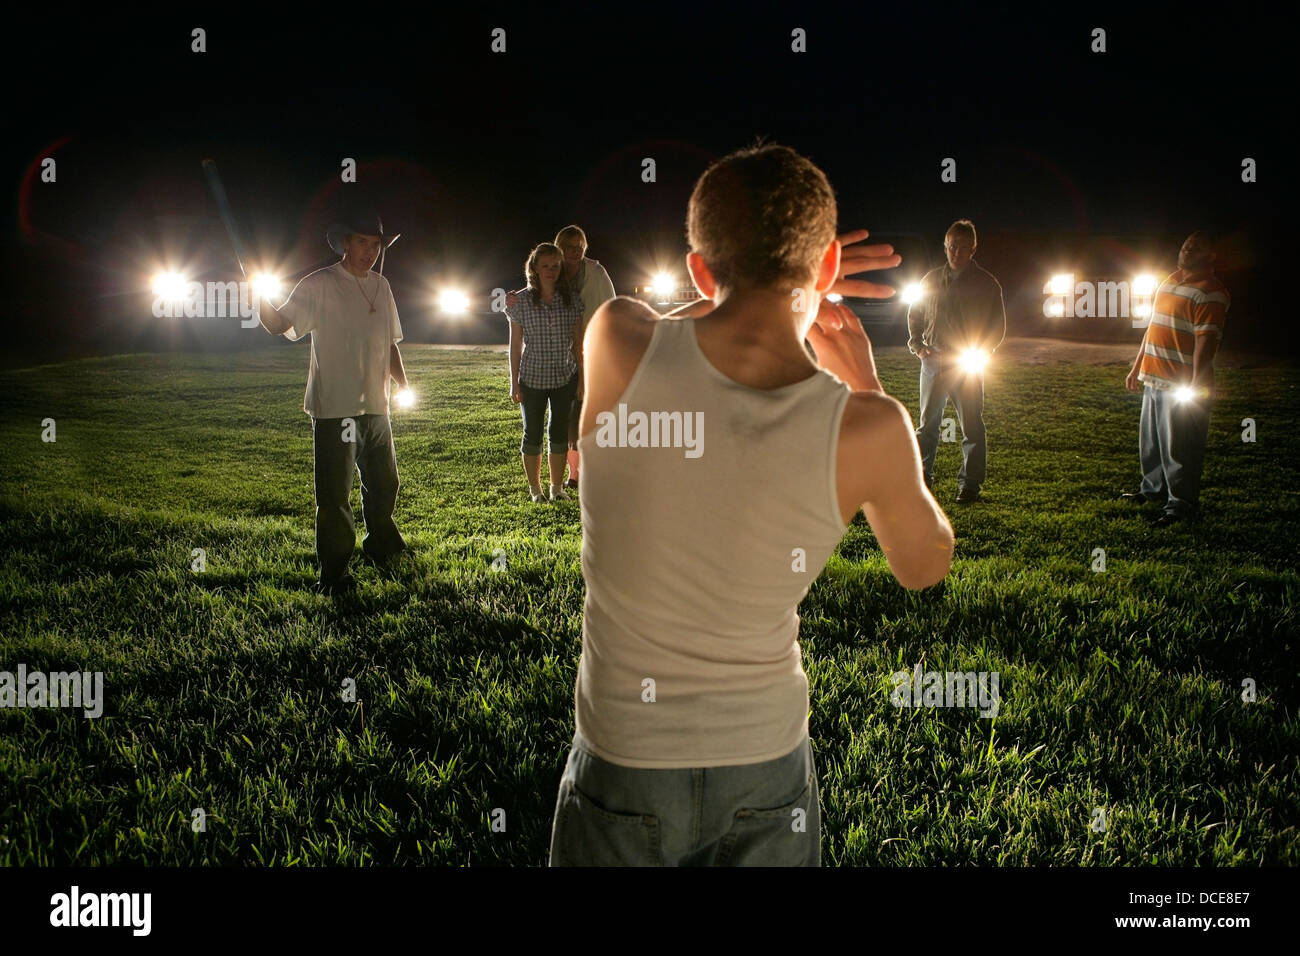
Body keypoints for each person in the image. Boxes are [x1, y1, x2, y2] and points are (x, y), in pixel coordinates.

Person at [548, 144, 954, 866]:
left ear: (701, 270)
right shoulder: (869, 426)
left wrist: (760, 277)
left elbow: (677, 321)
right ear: (828, 269)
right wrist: (864, 382)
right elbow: (925, 565)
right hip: (764, 761)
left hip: (623, 755)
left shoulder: (616, 338)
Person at [256, 211, 409, 594]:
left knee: (385, 483)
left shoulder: (382, 285)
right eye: (361, 242)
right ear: (344, 243)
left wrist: (402, 384)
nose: (369, 252)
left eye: (375, 245)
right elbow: (279, 324)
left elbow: (389, 341)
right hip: (334, 408)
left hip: (377, 405)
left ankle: (383, 546)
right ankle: (335, 575)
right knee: (335, 495)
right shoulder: (319, 284)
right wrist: (254, 294)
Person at [1120, 231, 1229, 527]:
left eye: (1196, 246)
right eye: (1186, 245)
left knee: (1180, 447)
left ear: (1211, 256)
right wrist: (1137, 366)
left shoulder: (1210, 293)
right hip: (1153, 376)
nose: (1188, 249)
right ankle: (1153, 490)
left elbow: (1206, 343)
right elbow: (1153, 326)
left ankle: (1181, 504)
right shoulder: (1170, 280)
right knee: (1152, 444)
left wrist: (1196, 383)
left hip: (1180, 382)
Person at [907, 219, 1006, 503]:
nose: (956, 253)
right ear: (945, 246)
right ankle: (923, 480)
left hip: (967, 363)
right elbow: (915, 313)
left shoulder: (987, 284)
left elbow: (997, 326)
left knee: (972, 425)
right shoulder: (931, 280)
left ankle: (970, 485)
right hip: (934, 361)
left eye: (962, 248)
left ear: (973, 249)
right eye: (951, 247)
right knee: (927, 425)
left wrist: (983, 351)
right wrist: (918, 346)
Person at [504, 243, 585, 502]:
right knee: (533, 432)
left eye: (555, 265)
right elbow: (515, 345)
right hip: (532, 378)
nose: (551, 270)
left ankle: (556, 488)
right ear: (535, 269)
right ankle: (535, 490)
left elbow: (579, 345)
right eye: (546, 266)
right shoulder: (521, 302)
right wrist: (514, 382)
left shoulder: (571, 301)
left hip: (564, 377)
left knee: (559, 432)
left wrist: (582, 379)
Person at [554, 225, 616, 489]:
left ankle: (591, 470)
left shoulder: (596, 273)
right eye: (569, 246)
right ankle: (574, 472)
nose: (575, 252)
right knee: (567, 416)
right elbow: (534, 296)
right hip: (559, 353)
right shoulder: (551, 271)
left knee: (588, 411)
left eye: (579, 247)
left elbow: (610, 308)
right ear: (560, 247)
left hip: (592, 352)